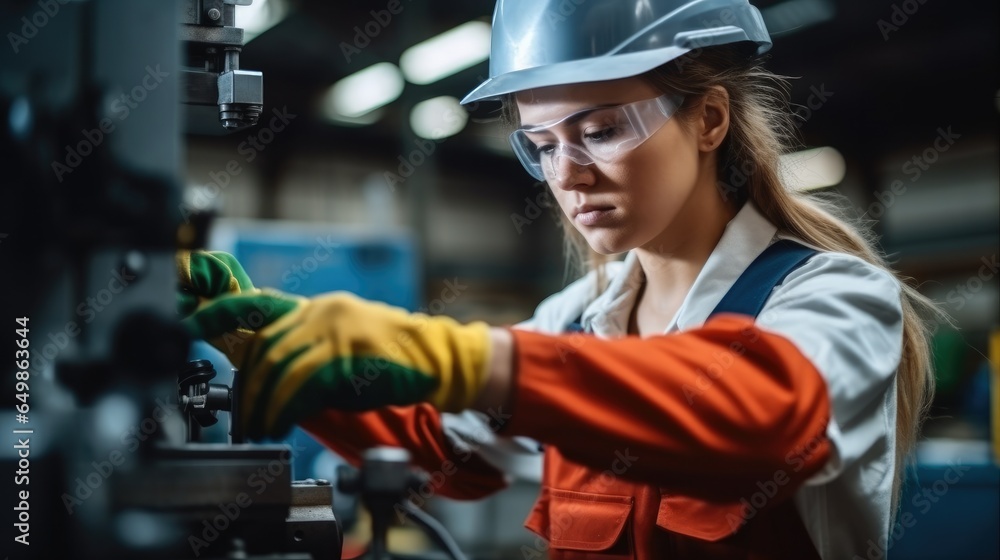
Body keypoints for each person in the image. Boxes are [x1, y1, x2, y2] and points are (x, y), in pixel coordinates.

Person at [178, 1, 940, 557]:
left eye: (601, 131)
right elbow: (436, 448)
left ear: (709, 120)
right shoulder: (574, 321)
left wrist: (478, 361)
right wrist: (266, 341)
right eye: (540, 144)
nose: (567, 176)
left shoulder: (833, 298)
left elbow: (760, 410)